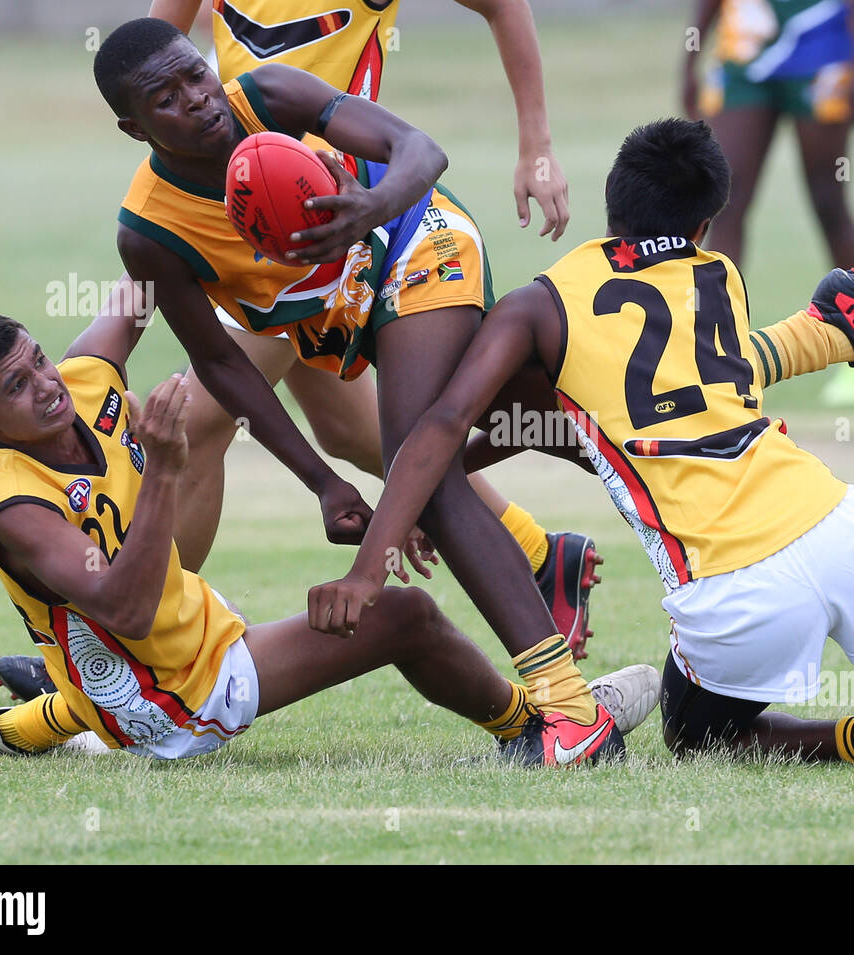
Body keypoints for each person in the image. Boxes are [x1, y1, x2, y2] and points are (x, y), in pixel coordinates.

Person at [307, 118, 854, 764]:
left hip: (730, 593)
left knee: (701, 739)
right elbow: (711, 373)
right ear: (702, 227)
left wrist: (375, 552)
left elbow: (441, 422)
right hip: (840, 524)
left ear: (613, 203)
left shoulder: (544, 299)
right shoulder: (717, 276)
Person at [91, 17, 621, 762]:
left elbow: (421, 152)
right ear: (131, 126)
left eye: (194, 74)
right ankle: (657, 440)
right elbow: (220, 364)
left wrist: (370, 208)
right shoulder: (148, 232)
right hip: (345, 319)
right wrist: (321, 483)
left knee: (422, 464)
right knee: (520, 421)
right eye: (167, 97)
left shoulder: (266, 95)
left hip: (414, 240)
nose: (198, 98)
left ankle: (571, 715)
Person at [0, 302, 655, 764]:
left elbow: (139, 270)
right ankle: (535, 729)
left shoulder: (85, 381)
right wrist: (164, 471)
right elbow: (127, 610)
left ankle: (25, 717)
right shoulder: (12, 503)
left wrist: (187, 153)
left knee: (286, 331)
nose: (48, 385)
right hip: (173, 693)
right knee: (406, 617)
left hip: (144, 654)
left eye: (39, 362)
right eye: (17, 386)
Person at [684, 0, 854, 406]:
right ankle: (711, 357)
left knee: (828, 202)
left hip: (821, 43)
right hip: (746, 45)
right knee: (722, 206)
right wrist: (689, 59)